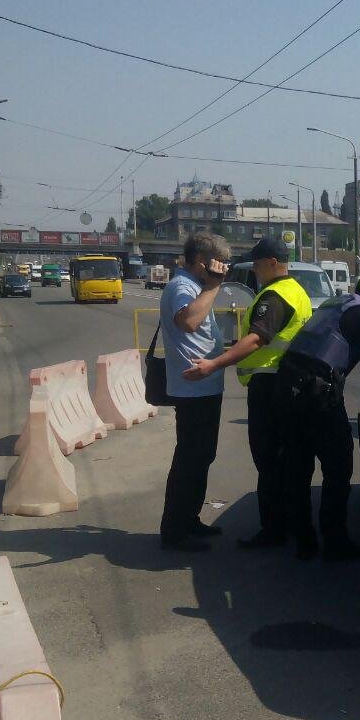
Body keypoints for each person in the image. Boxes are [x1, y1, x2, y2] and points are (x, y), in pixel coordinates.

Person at [183, 236, 312, 549]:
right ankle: (296, 528)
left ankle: (274, 531)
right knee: (287, 462)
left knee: (268, 463)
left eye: (257, 264)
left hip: (271, 389)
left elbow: (256, 340)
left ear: (272, 263)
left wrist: (214, 364)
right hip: (289, 386)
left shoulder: (275, 296)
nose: (254, 269)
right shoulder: (297, 291)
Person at [275, 279, 360, 561]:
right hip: (317, 395)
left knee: (298, 468)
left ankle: (304, 542)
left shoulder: (340, 303)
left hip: (288, 387)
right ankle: (335, 542)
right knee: (338, 468)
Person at [159, 233, 231, 553]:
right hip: (193, 390)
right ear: (203, 262)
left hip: (204, 388)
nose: (223, 270)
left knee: (201, 457)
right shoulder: (182, 286)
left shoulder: (195, 285)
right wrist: (214, 286)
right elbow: (188, 321)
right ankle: (175, 532)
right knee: (189, 461)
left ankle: (189, 519)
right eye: (219, 264)